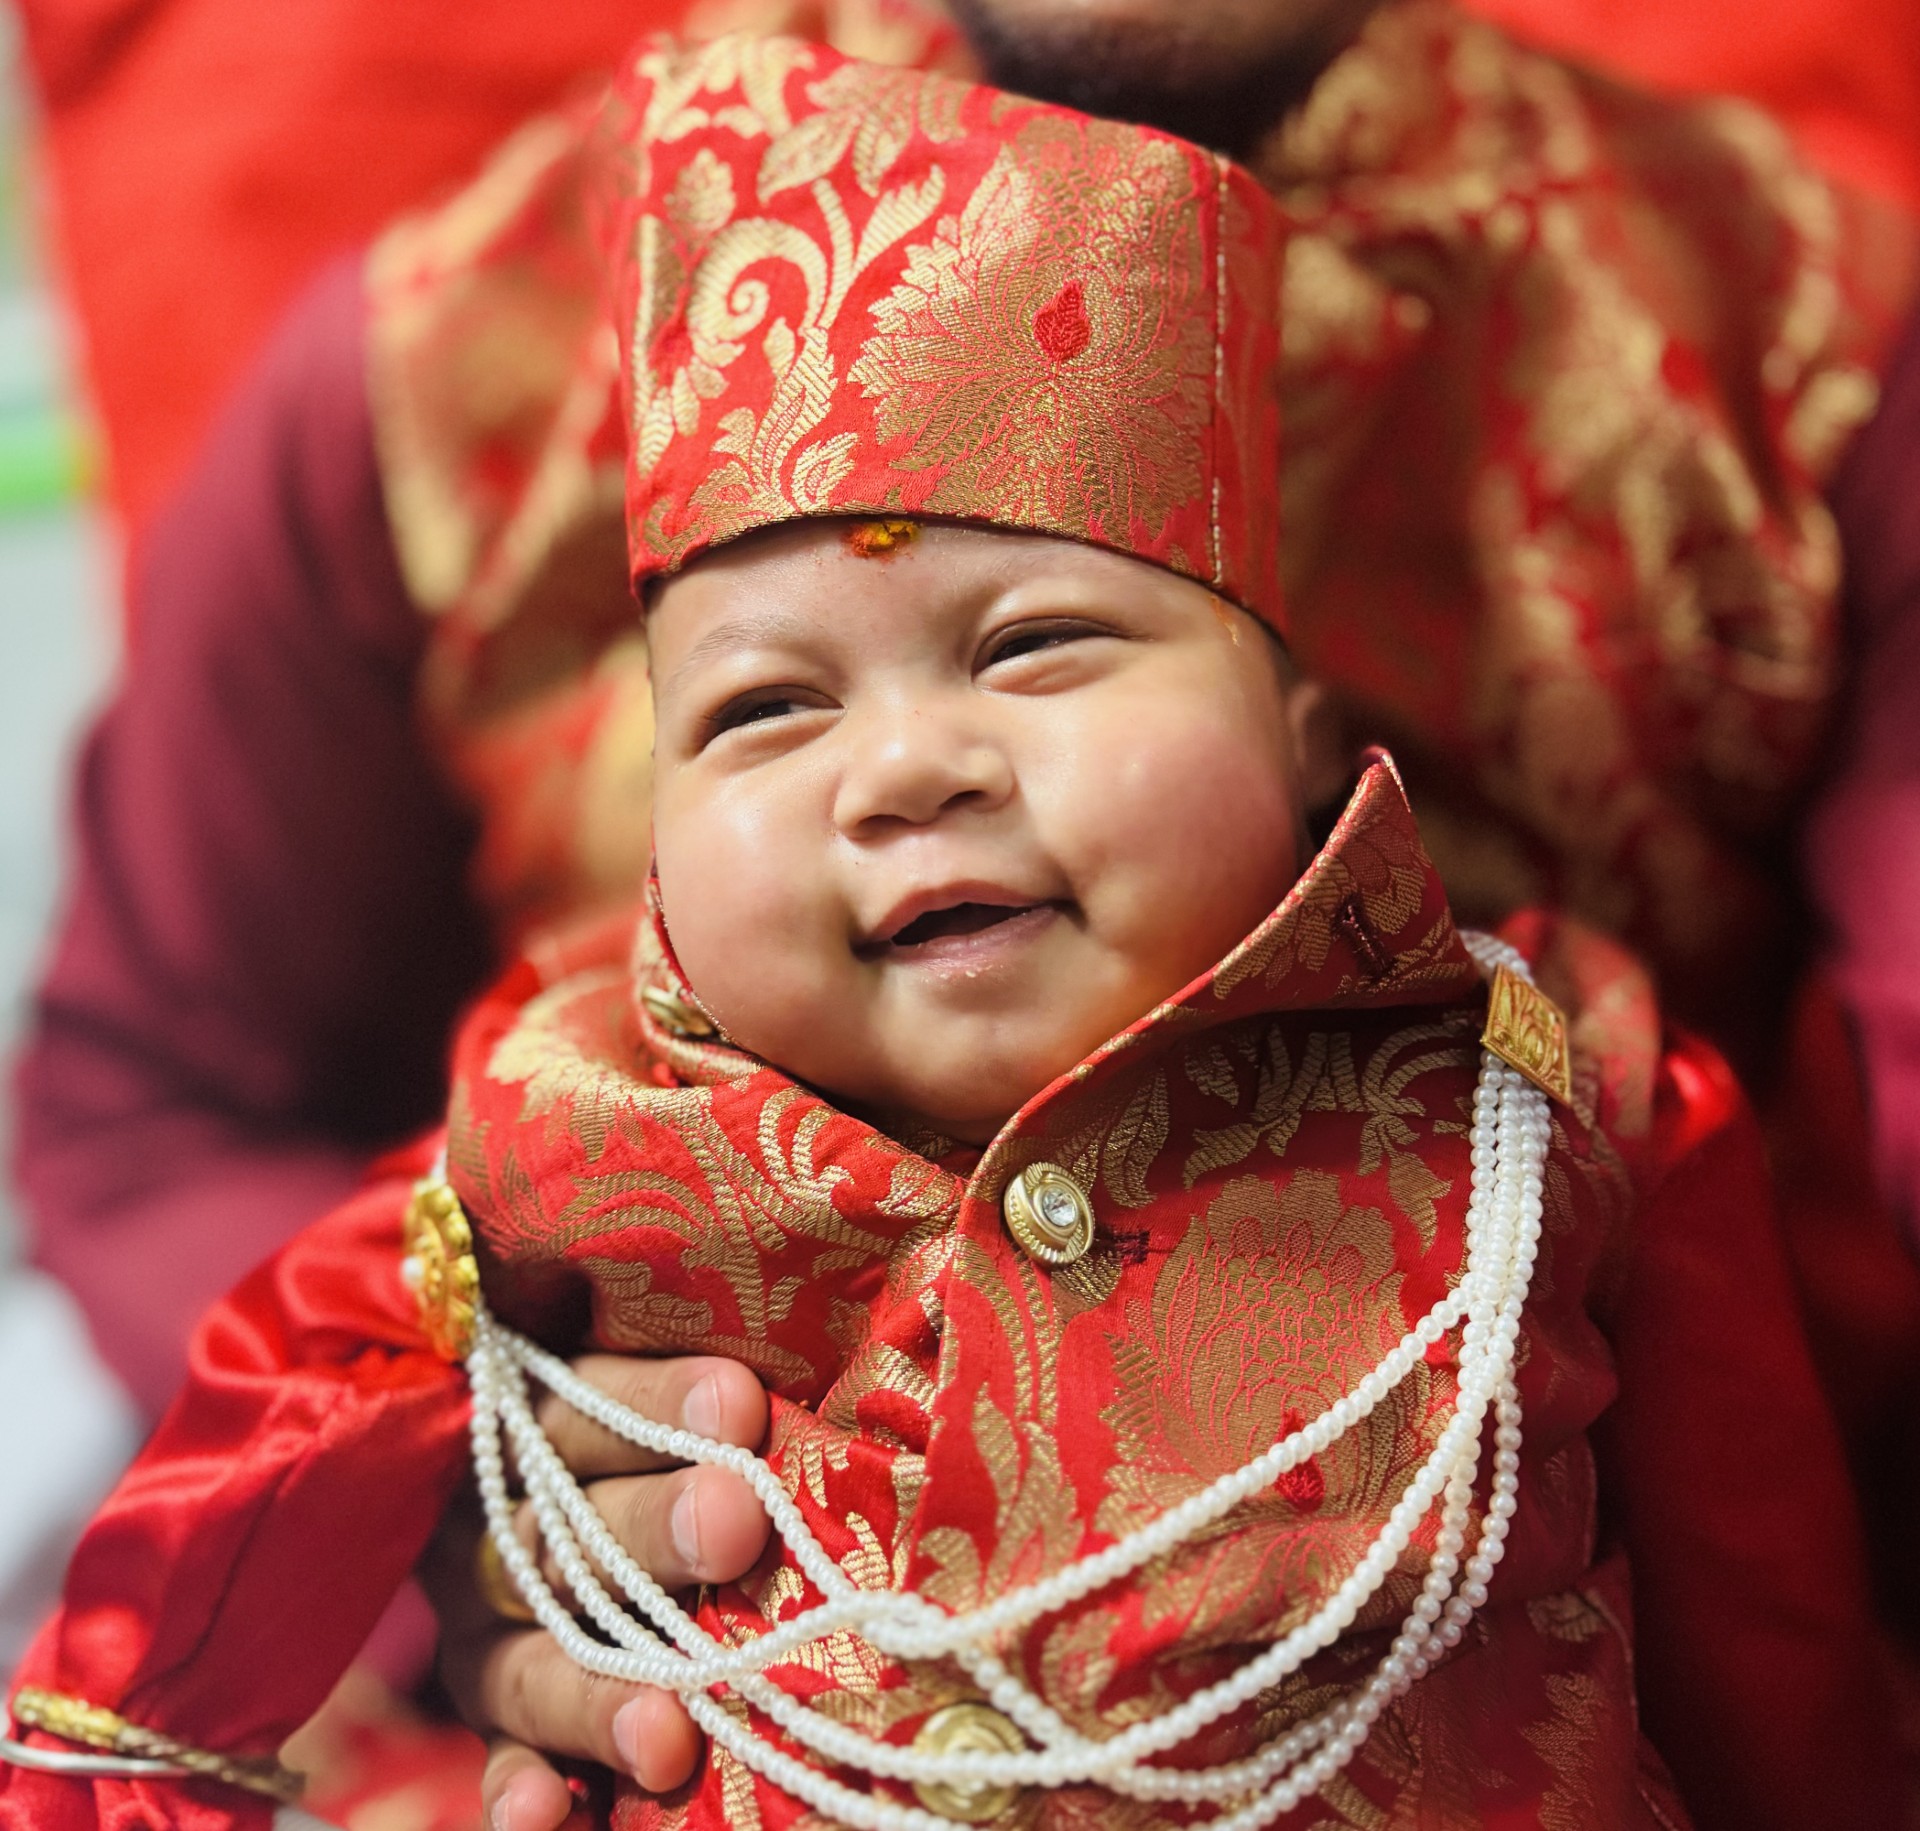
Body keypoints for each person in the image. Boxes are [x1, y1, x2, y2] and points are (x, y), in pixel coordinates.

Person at [10, 0, 1917, 1826]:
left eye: (1038, 648)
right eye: (764, 707)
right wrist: (460, 1476)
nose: (912, 772)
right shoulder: (438, 371)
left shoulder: (1810, 352)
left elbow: (1787, 1625)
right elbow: (153, 1114)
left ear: (1318, 744)